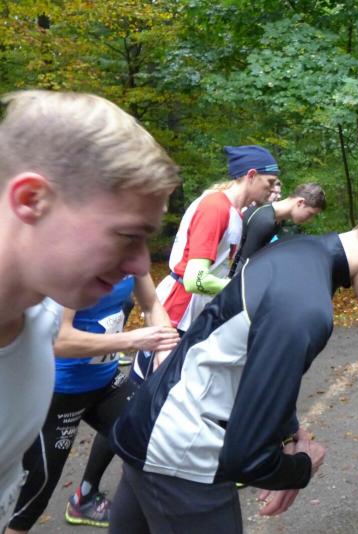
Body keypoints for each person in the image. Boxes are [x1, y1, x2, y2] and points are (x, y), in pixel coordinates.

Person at [108, 197, 358, 534]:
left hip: (151, 425)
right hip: (183, 455)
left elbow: (254, 363)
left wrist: (290, 432)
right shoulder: (306, 306)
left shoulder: (296, 252)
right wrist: (301, 467)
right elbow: (247, 456)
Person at [0, 90, 178, 529]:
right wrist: (135, 339)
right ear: (31, 200)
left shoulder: (36, 323)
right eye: (127, 236)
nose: (141, 264)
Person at [5, 275, 178, 533]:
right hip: (58, 391)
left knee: (157, 440)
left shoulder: (132, 257)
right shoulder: (73, 263)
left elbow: (152, 304)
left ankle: (90, 500)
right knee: (30, 504)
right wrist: (133, 340)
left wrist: (163, 347)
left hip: (105, 383)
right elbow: (59, 338)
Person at [156, 145, 278, 333]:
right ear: (251, 175)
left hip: (198, 308)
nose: (272, 189)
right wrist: (245, 289)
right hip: (180, 310)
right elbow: (195, 280)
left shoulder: (234, 211)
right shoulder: (215, 208)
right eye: (270, 182)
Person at [228, 182, 326, 277]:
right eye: (310, 214)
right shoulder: (265, 220)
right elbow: (245, 263)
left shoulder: (276, 218)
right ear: (300, 202)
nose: (310, 219)